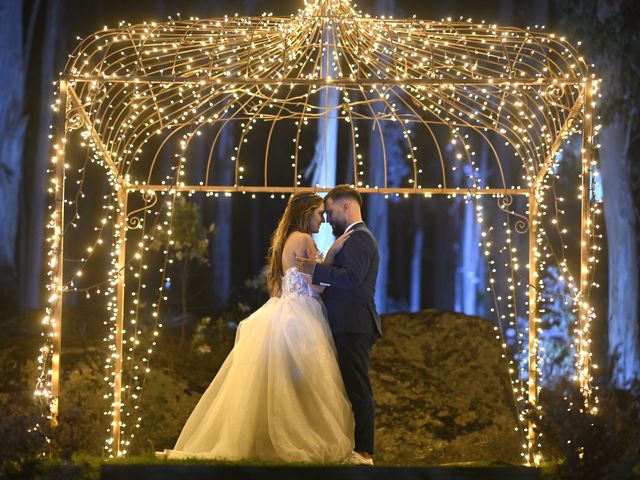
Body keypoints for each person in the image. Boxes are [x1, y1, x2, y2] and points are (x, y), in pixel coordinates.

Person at [157, 192, 355, 462]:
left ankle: (277, 438)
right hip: (302, 315)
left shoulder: (285, 241)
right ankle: (297, 438)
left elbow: (279, 287)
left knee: (284, 383)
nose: (322, 220)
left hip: (285, 309)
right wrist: (332, 254)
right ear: (306, 212)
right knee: (305, 384)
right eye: (319, 213)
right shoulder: (305, 239)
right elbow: (317, 285)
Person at [297, 185, 381, 466]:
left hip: (353, 323)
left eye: (330, 212)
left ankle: (365, 453)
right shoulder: (352, 237)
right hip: (346, 322)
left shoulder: (359, 238)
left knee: (358, 387)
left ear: (346, 207)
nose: (328, 219)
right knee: (347, 387)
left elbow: (352, 279)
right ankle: (350, 447)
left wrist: (315, 269)